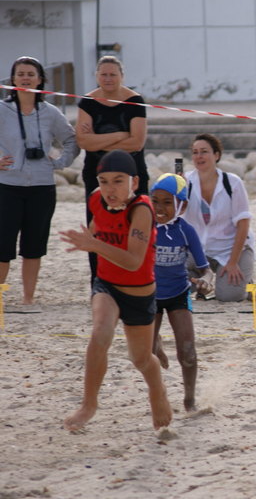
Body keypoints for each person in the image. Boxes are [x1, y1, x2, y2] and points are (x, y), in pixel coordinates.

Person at [60, 150, 172, 431]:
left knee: (141, 359)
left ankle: (157, 391)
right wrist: (90, 238)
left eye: (118, 181)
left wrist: (94, 245)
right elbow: (97, 227)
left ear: (134, 182)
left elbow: (133, 261)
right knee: (100, 333)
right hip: (106, 285)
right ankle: (88, 405)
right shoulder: (96, 199)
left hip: (139, 292)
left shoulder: (142, 209)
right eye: (104, 181)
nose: (110, 189)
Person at [0, 56, 79, 304]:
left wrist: (60, 162)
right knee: (2, 247)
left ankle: (28, 299)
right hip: (7, 186)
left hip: (42, 188)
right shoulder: (2, 109)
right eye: (20, 74)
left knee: (33, 247)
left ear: (40, 79)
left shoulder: (50, 113)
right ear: (12, 79)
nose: (25, 78)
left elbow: (72, 140)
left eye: (30, 74)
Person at [76, 55, 149, 279]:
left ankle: (137, 278)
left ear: (122, 76)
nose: (108, 78)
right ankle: (99, 281)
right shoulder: (88, 102)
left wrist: (98, 140)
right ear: (97, 76)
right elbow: (84, 142)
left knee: (134, 226)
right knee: (99, 228)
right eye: (104, 74)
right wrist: (120, 135)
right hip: (96, 176)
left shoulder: (135, 101)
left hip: (132, 175)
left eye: (113, 74)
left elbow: (136, 142)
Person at [150, 173, 208, 412]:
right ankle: (156, 345)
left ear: (181, 206)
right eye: (155, 201)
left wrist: (206, 281)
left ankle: (189, 400)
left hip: (178, 293)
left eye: (167, 202)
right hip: (150, 295)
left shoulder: (186, 231)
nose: (159, 208)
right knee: (148, 353)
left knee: (188, 352)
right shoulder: (145, 227)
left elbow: (206, 269)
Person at [182, 133, 255, 302]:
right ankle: (203, 284)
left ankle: (247, 279)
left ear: (216, 155)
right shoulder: (185, 181)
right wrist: (176, 190)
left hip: (230, 249)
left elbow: (243, 224)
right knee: (173, 283)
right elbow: (173, 216)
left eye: (204, 151)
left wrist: (233, 262)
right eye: (195, 152)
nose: (199, 156)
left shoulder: (233, 183)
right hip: (198, 250)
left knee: (229, 296)